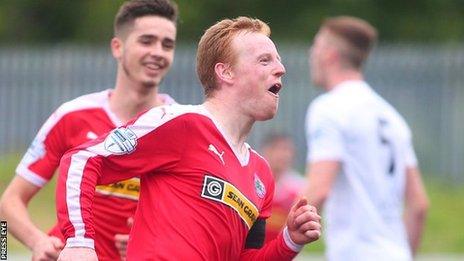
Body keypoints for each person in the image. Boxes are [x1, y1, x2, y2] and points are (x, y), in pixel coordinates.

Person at [56, 16, 322, 260]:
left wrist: (289, 241)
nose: (281, 69)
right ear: (225, 72)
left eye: (278, 60)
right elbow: (82, 159)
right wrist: (79, 241)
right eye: (265, 60)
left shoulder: (261, 173)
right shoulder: (182, 124)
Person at [0, 0, 178, 260]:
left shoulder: (180, 125)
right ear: (117, 47)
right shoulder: (72, 116)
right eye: (147, 41)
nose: (158, 52)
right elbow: (7, 206)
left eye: (168, 45)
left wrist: (156, 244)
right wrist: (36, 242)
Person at [303, 16, 429, 261]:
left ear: (330, 54)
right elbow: (419, 205)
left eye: (316, 46)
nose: (311, 54)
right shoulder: (391, 117)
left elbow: (317, 192)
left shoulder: (329, 108)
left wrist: (278, 247)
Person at [260, 133, 305, 243]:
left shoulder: (300, 188)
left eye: (287, 150)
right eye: (277, 149)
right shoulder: (251, 181)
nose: (283, 155)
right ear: (266, 151)